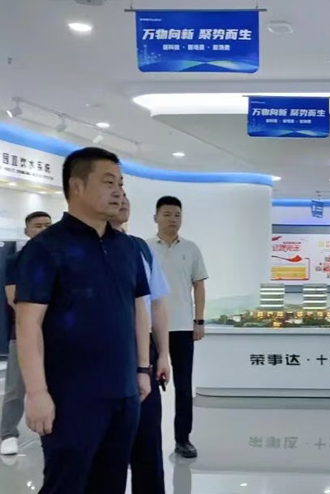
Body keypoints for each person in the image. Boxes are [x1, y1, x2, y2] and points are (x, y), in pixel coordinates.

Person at [15, 147, 152, 494]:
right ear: (77, 186)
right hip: (69, 397)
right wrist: (37, 392)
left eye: (120, 183)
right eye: (108, 182)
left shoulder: (127, 248)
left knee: (111, 483)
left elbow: (138, 309)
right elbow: (28, 323)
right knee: (66, 484)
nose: (118, 191)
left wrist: (142, 368)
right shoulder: (46, 248)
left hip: (123, 393)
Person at [110, 191, 172, 494]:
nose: (122, 200)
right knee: (109, 450)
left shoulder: (141, 249)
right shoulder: (82, 249)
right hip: (105, 352)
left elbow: (157, 304)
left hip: (143, 350)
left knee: (147, 442)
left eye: (124, 194)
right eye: (112, 190)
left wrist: (163, 353)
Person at [148, 196, 208, 459]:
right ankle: (147, 442)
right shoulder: (144, 248)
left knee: (183, 387)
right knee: (148, 387)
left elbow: (199, 286)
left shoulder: (191, 249)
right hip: (150, 329)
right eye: (167, 214)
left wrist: (199, 320)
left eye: (177, 215)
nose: (173, 219)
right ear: (156, 217)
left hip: (183, 326)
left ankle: (183, 439)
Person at [0, 211, 52, 456]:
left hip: (58, 333)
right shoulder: (16, 260)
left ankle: (52, 429)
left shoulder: (61, 256)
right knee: (16, 387)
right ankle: (7, 433)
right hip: (23, 332)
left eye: (47, 225)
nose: (43, 230)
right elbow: (13, 298)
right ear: (27, 231)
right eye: (37, 226)